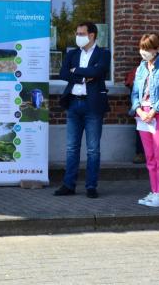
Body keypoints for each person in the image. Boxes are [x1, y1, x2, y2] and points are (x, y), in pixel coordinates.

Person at [55, 22, 111, 199]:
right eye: (77, 33)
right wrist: (84, 76)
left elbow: (99, 71)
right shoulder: (72, 53)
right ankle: (68, 184)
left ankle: (91, 186)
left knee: (93, 149)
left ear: (92, 35)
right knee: (72, 148)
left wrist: (76, 71)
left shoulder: (103, 53)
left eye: (81, 33)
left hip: (92, 105)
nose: (78, 36)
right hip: (73, 104)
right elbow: (63, 73)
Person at [130, 33, 159, 208]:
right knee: (149, 156)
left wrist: (154, 111)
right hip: (143, 114)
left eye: (147, 49)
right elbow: (135, 93)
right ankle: (155, 190)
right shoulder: (140, 68)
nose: (144, 52)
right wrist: (139, 110)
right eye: (142, 48)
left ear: (157, 49)